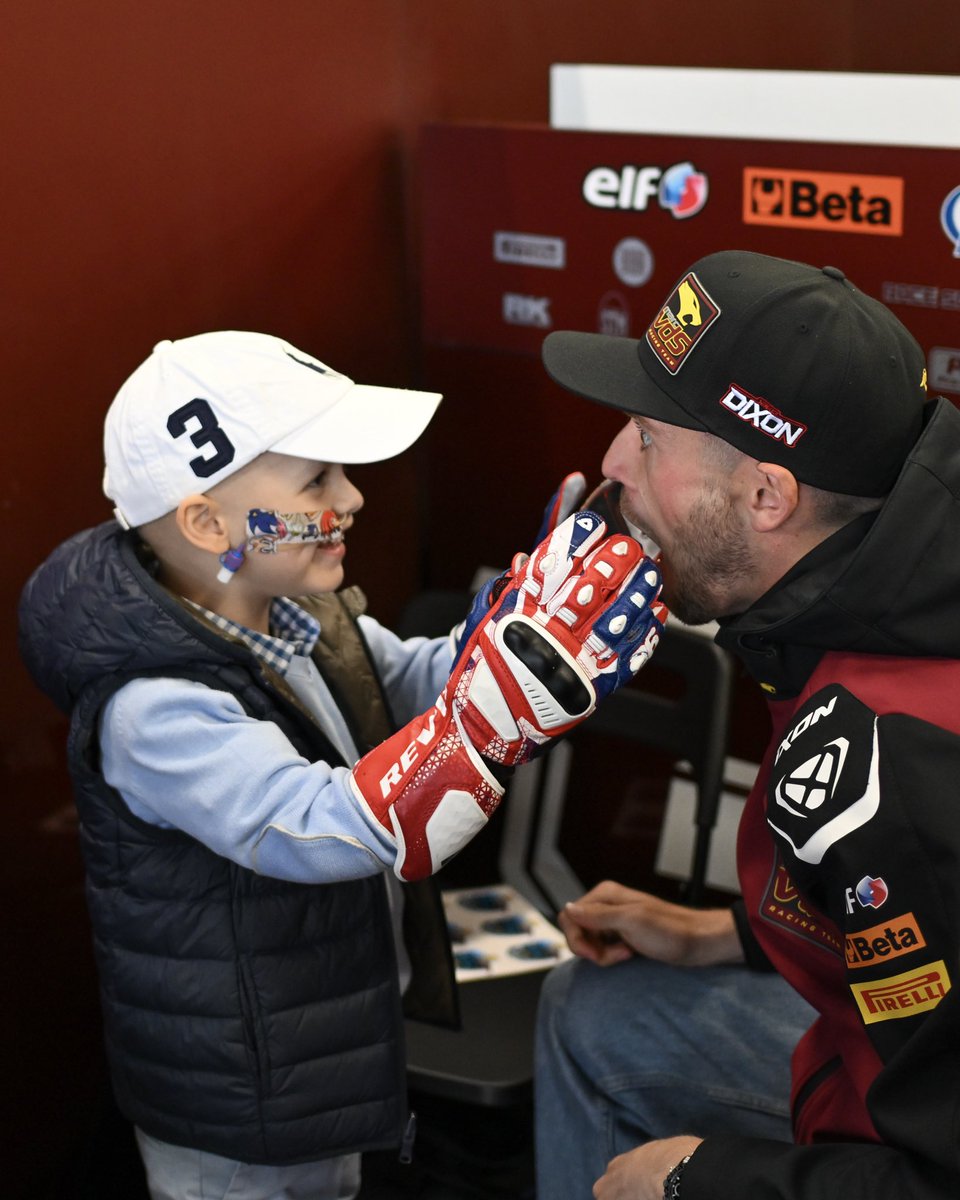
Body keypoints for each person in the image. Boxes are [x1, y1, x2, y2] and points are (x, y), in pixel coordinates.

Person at [18, 331, 665, 1200]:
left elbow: (415, 689)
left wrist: (519, 636)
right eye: (316, 481)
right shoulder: (152, 707)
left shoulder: (300, 613)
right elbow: (327, 828)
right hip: (235, 1099)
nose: (352, 497)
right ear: (209, 522)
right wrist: (493, 717)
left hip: (322, 1046)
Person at [535, 249, 960, 1199]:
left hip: (901, 1141)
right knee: (595, 1005)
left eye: (646, 436)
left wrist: (706, 1178)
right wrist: (730, 931)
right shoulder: (870, 597)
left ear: (768, 496)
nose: (609, 463)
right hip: (871, 1072)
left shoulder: (910, 762)